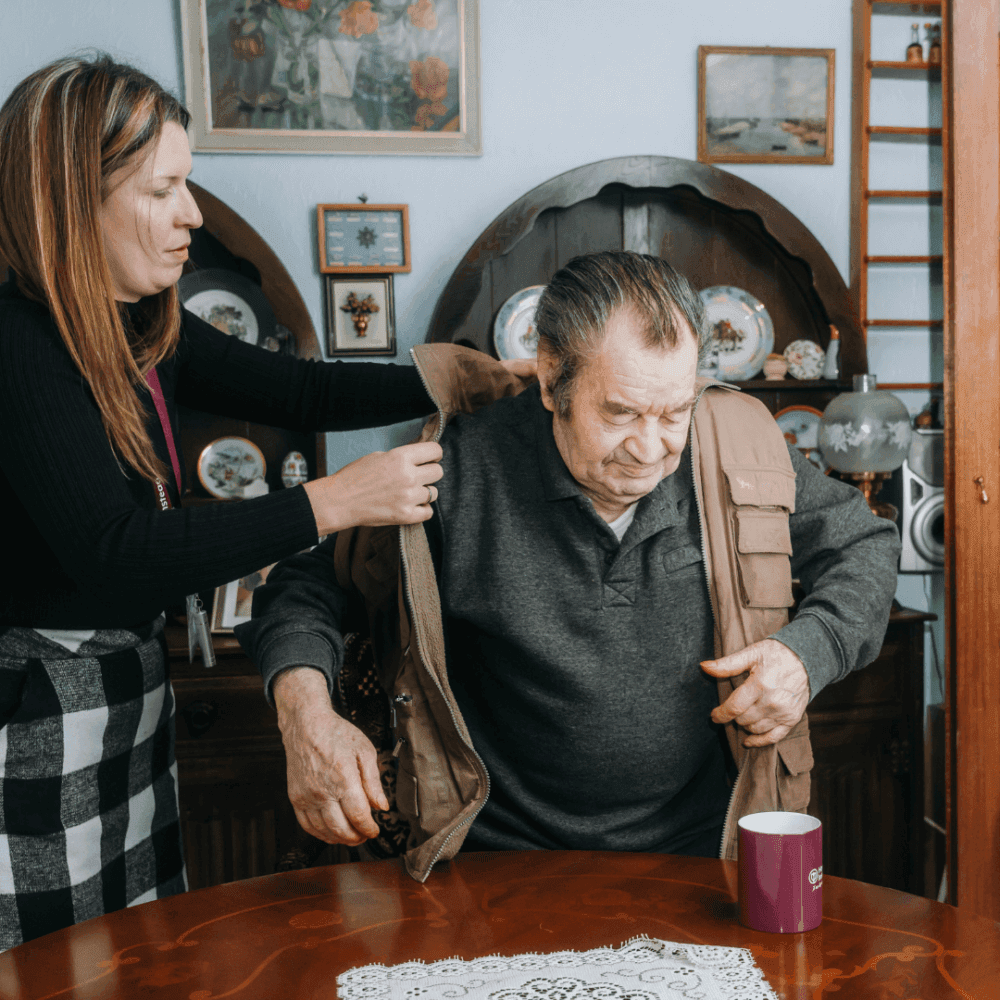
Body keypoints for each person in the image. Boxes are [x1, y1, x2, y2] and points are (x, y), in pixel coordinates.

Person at [0, 54, 526, 949]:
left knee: (128, 948)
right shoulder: (18, 344)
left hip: (131, 685)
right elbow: (114, 548)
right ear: (69, 200)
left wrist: (463, 378)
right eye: (163, 189)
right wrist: (333, 502)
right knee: (48, 963)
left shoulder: (138, 323)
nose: (192, 215)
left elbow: (305, 392)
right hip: (39, 709)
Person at [237, 251, 901, 882]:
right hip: (496, 865)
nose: (651, 449)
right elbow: (308, 585)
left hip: (703, 855)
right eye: (619, 412)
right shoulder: (461, 471)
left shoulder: (736, 450)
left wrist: (807, 654)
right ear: (551, 379)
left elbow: (864, 545)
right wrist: (305, 716)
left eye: (675, 411)